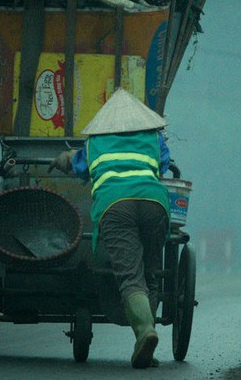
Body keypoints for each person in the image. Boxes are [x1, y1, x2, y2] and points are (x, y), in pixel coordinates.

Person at [48, 89, 170, 369]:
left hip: (116, 207)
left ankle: (145, 333)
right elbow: (163, 165)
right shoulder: (154, 137)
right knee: (150, 272)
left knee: (130, 276)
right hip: (154, 203)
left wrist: (63, 158)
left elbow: (77, 165)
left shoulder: (94, 143)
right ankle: (146, 340)